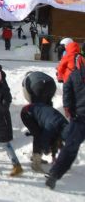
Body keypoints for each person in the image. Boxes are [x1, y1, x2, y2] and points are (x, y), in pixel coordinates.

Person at [46, 51, 85, 189]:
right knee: (70, 148)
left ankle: (55, 174)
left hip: (79, 118)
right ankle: (54, 174)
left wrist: (69, 109)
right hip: (79, 117)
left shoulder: (74, 75)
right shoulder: (75, 75)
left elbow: (67, 95)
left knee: (70, 148)